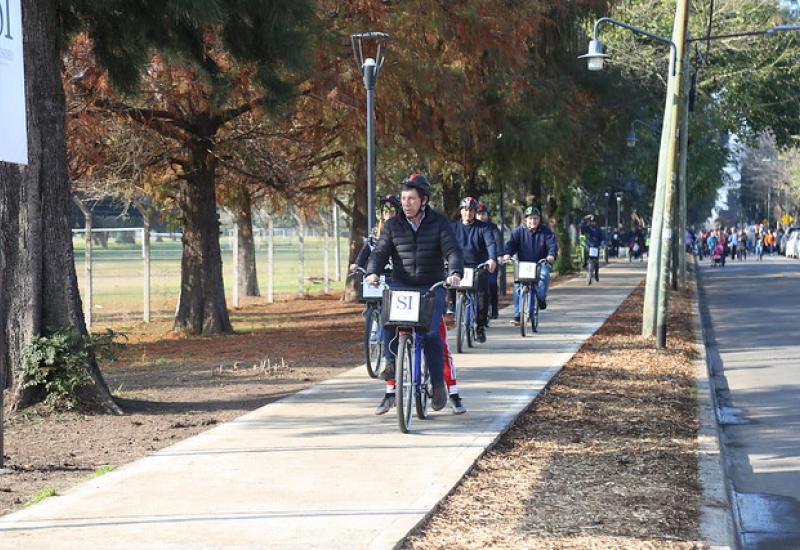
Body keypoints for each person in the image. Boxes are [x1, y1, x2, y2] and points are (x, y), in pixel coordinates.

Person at [366, 174, 463, 414]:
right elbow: (379, 252)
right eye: (403, 198)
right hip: (401, 285)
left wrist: (455, 272)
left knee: (431, 333)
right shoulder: (392, 225)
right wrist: (373, 272)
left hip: (432, 286)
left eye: (411, 198)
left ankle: (439, 385)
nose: (406, 202)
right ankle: (390, 363)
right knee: (390, 321)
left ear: (424, 200)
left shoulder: (439, 222)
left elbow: (452, 250)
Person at [449, 196, 497, 343]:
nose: (467, 213)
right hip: (458, 266)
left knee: (483, 295)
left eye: (471, 210)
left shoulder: (483, 228)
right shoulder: (453, 228)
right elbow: (446, 244)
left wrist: (492, 259)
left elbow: (490, 244)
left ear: (475, 212)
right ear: (460, 211)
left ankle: (480, 327)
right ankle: (452, 306)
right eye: (465, 209)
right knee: (448, 280)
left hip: (478, 267)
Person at [501, 206, 557, 325]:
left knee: (545, 276)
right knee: (517, 287)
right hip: (523, 265)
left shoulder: (545, 231)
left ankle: (541, 298)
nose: (533, 221)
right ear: (525, 219)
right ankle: (517, 315)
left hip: (540, 263)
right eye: (530, 218)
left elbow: (552, 245)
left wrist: (551, 256)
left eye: (535, 218)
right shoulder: (518, 232)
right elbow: (511, 245)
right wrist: (507, 254)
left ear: (539, 219)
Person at [476, 202, 502, 320]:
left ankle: (494, 310)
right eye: (478, 213)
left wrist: (499, 256)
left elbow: (497, 243)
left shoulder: (493, 228)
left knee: (491, 284)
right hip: (476, 262)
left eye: (483, 213)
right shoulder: (474, 227)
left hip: (490, 261)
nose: (481, 216)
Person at [580, 214, 606, 282]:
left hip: (596, 247)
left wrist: (602, 243)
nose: (593, 223)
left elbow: (602, 238)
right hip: (588, 246)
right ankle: (585, 265)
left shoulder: (598, 229)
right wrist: (584, 218)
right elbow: (582, 227)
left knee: (596, 261)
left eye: (594, 221)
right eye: (591, 221)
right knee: (585, 259)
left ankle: (596, 273)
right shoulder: (587, 228)